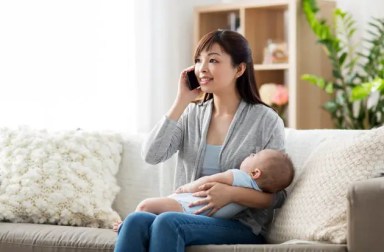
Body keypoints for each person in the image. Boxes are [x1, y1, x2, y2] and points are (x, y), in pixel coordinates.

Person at [114, 29, 287, 252]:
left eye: (213, 60)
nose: (202, 68)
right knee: (135, 221)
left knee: (168, 221)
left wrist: (231, 194)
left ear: (239, 69)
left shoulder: (265, 120)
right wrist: (181, 101)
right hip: (189, 214)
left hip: (239, 225)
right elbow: (152, 155)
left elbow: (277, 197)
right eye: (198, 60)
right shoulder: (192, 115)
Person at [113, 149, 294, 232]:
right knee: (153, 216)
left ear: (255, 172)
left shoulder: (238, 176)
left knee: (145, 206)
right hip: (201, 215)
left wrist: (187, 187)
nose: (250, 154)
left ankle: (126, 226)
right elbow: (274, 197)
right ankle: (134, 227)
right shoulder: (259, 191)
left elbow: (209, 180)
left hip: (189, 205)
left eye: (254, 155)